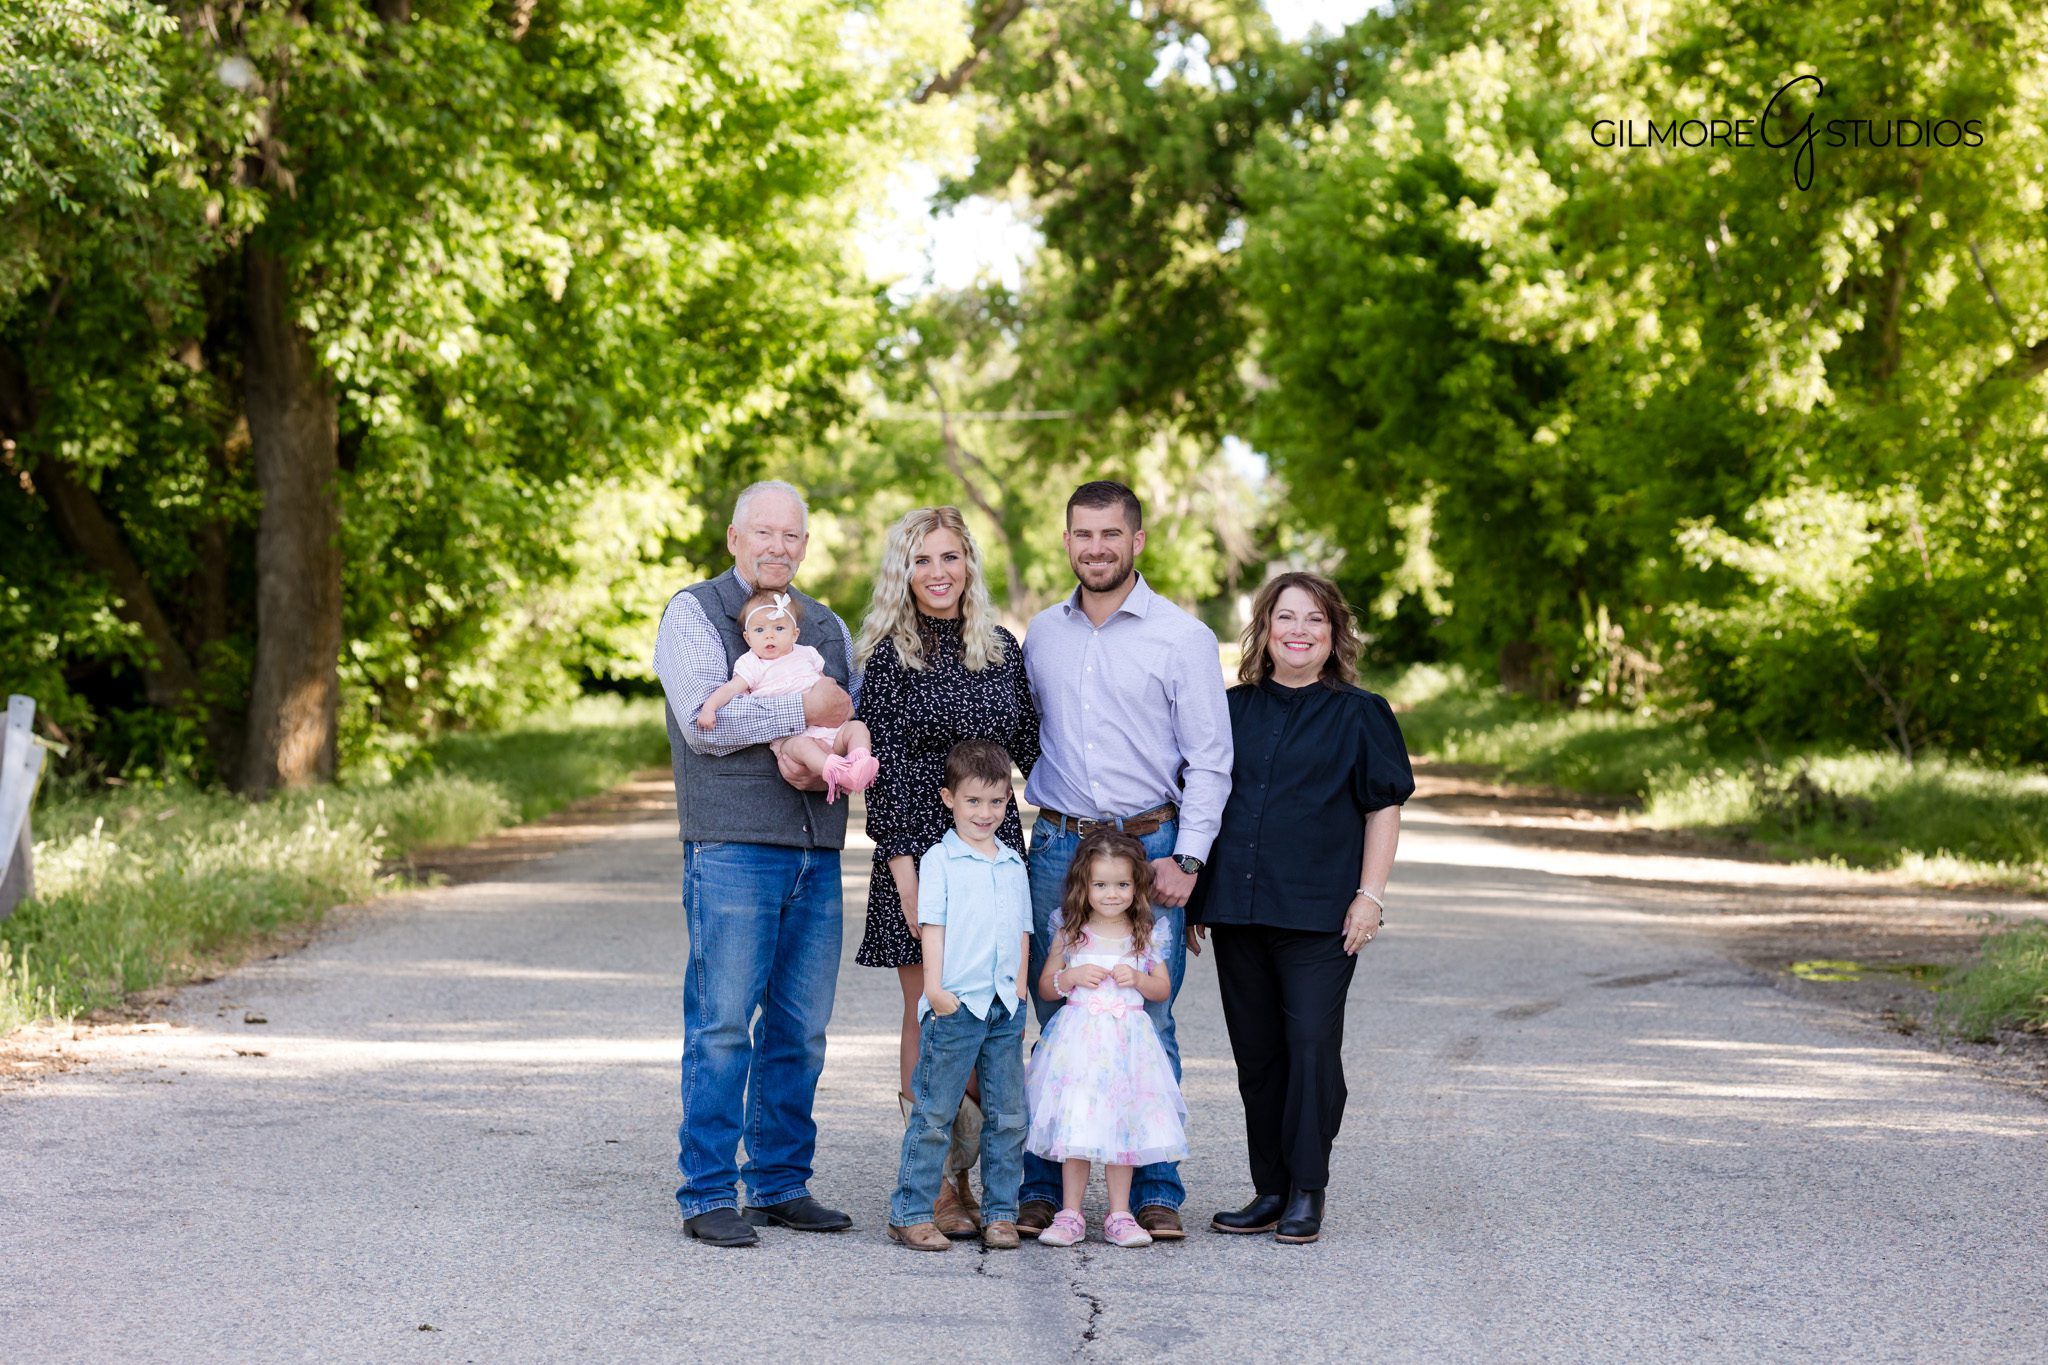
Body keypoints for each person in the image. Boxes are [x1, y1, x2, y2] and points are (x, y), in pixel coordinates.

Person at [1016, 480, 1232, 1242]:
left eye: (1111, 533)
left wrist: (1192, 858)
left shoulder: (1182, 637)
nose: (1096, 547)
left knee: (1149, 1012)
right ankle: (1048, 1186)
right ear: (1067, 539)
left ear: (1137, 540)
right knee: (1055, 1012)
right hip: (1059, 843)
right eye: (1083, 533)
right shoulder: (1041, 633)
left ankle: (1153, 1189)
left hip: (1151, 846)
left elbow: (1211, 760)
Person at [652, 479, 858, 1248]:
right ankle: (708, 1189)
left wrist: (835, 727)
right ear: (735, 537)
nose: (779, 547)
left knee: (801, 1030)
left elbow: (850, 718)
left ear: (805, 545)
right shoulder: (693, 611)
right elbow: (708, 722)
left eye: (792, 536)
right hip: (731, 847)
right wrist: (804, 710)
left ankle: (778, 1182)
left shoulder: (825, 624)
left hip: (817, 851)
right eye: (764, 533)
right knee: (723, 1025)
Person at [1187, 571, 1414, 1245]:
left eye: (1314, 619)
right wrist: (1199, 892)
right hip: (1239, 908)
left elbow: (1383, 807)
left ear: (1334, 632)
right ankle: (1270, 1188)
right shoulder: (1231, 709)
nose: (1298, 631)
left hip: (1320, 913)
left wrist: (1370, 897)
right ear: (1265, 628)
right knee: (1257, 1055)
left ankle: (1307, 1188)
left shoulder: (1361, 712)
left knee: (1311, 1046)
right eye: (1286, 617)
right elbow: (1205, 799)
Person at [853, 506, 1039, 1236]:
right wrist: (908, 881)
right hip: (920, 855)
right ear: (904, 570)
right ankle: (933, 1185)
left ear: (970, 564)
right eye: (921, 559)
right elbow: (887, 770)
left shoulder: (1001, 648)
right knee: (932, 1012)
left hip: (995, 854)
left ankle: (976, 1179)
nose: (937, 572)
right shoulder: (891, 658)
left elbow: (1033, 744)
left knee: (991, 1009)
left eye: (950, 557)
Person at [885, 741, 1033, 1253]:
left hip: (1004, 1006)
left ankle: (1000, 1214)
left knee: (1009, 1116)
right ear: (949, 799)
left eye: (996, 802)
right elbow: (933, 926)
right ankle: (909, 1211)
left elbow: (1022, 930)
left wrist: (1019, 987)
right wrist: (933, 989)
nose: (985, 813)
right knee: (934, 1112)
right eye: (973, 802)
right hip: (956, 1004)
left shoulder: (1014, 863)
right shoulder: (940, 860)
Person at [1025, 829, 1188, 1249]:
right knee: (1077, 1125)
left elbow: (1162, 990)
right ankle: (1069, 1213)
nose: (1112, 894)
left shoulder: (1146, 933)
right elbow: (1045, 987)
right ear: (1084, 885)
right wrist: (1071, 977)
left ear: (1137, 887)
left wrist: (1138, 978)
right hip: (1079, 1046)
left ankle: (1120, 1214)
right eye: (1100, 885)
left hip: (1128, 1048)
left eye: (1122, 885)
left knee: (1124, 1128)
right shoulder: (1070, 929)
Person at [696, 587, 879, 802]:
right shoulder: (752, 664)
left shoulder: (807, 654)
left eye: (779, 628)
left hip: (831, 731)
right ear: (747, 637)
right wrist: (709, 708)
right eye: (759, 630)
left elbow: (827, 686)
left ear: (795, 634)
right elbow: (729, 689)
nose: (769, 635)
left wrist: (842, 706)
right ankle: (837, 772)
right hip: (794, 737)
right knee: (803, 747)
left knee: (857, 728)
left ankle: (860, 761)